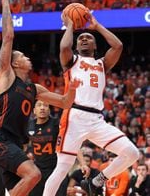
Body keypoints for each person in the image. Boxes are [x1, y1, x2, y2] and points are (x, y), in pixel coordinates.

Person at [0, 0, 80, 196]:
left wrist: (72, 88)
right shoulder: (6, 75)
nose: (28, 58)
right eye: (23, 56)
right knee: (34, 175)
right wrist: (6, 2)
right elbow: (8, 36)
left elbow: (65, 102)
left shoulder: (34, 88)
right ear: (16, 63)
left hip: (15, 144)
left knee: (26, 189)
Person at [42, 10, 139, 196]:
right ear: (76, 46)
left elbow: (118, 46)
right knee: (62, 168)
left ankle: (96, 182)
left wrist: (97, 27)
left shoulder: (102, 64)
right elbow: (63, 48)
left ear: (95, 45)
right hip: (74, 116)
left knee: (132, 153)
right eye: (80, 39)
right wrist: (70, 25)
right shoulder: (71, 61)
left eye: (88, 38)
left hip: (96, 119)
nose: (84, 39)